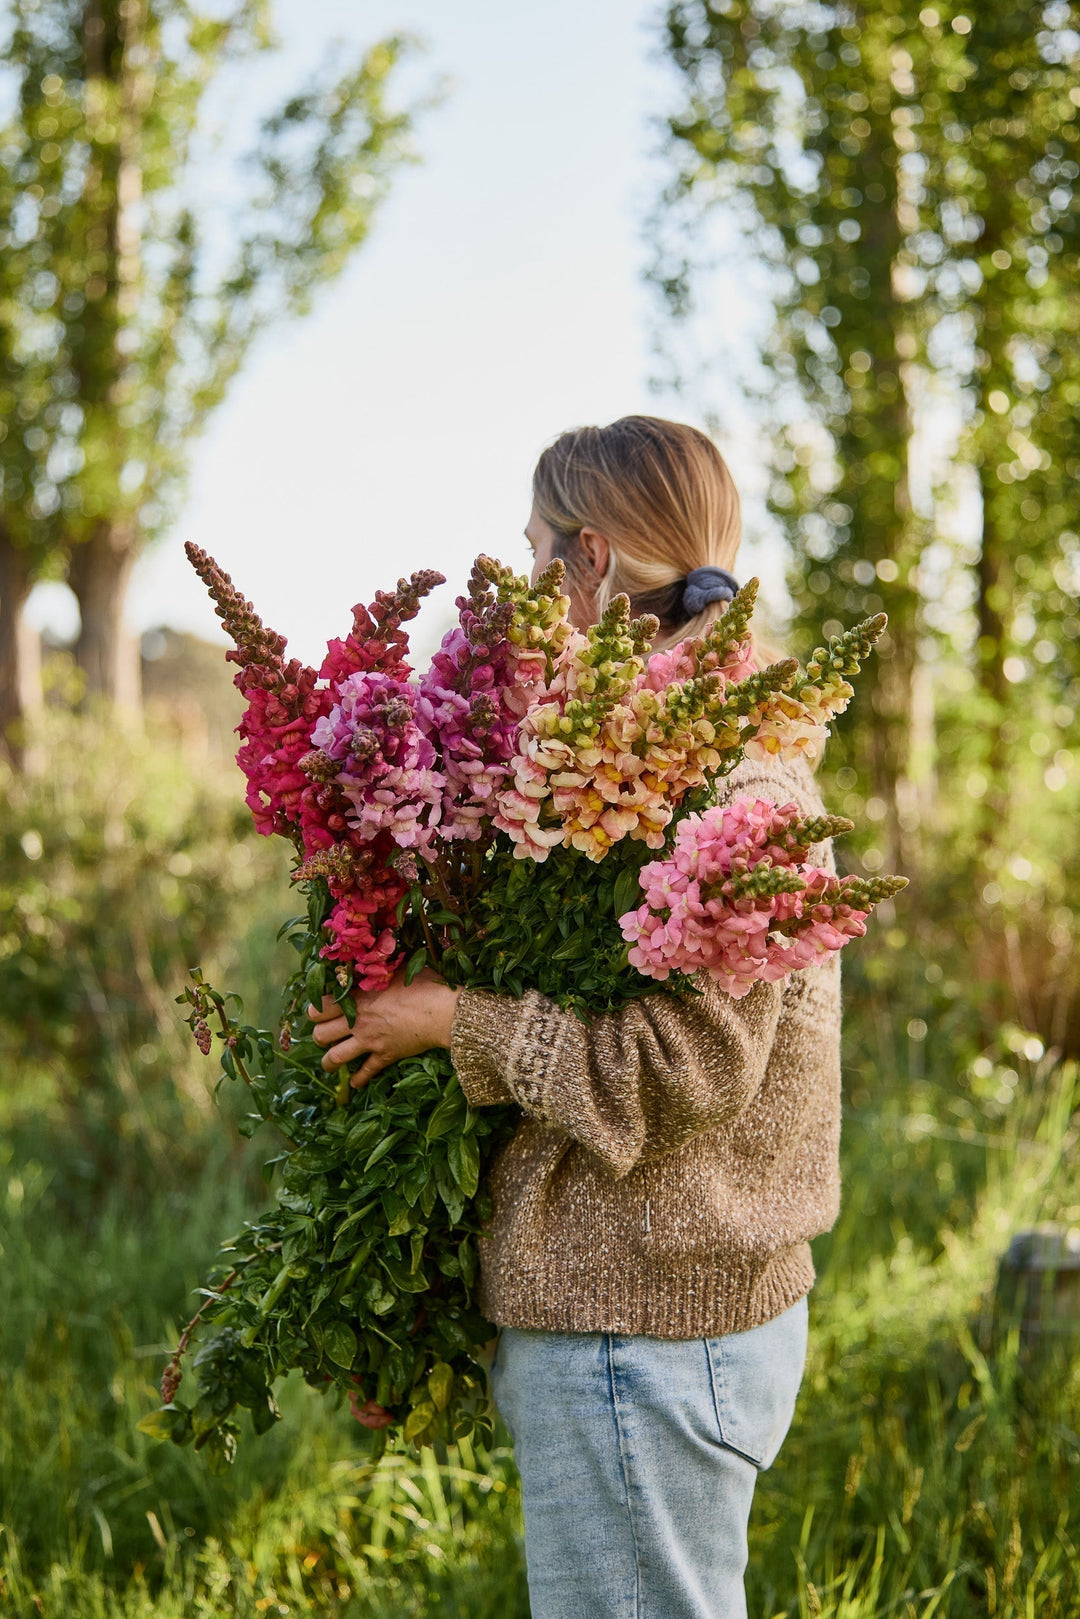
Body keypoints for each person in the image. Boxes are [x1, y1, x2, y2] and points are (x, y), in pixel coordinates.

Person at [309, 415, 842, 1619]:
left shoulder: (739, 780)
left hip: (642, 1336)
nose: (519, 588)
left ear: (589, 558)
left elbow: (687, 1067)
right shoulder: (635, 755)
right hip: (635, 1327)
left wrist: (456, 1019)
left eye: (533, 550)